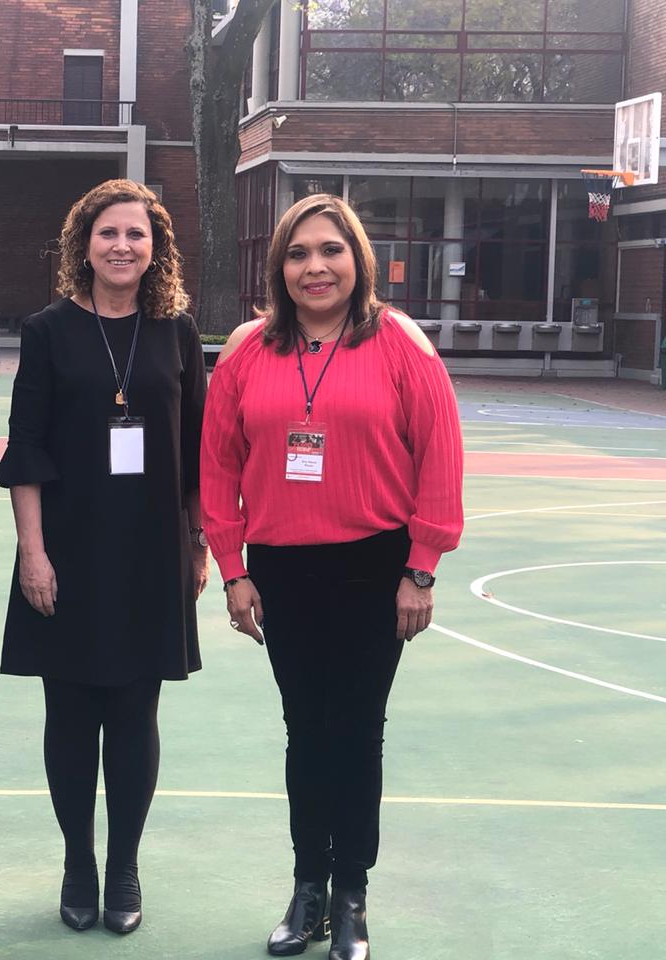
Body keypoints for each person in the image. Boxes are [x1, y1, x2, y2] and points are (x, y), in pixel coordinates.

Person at [199, 194, 463, 960]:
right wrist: (233, 571)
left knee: (356, 732)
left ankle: (352, 894)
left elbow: (439, 458)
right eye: (298, 253)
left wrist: (422, 569)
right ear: (279, 266)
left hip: (373, 570)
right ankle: (306, 887)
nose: (315, 267)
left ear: (358, 261)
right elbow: (218, 468)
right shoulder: (249, 351)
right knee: (304, 732)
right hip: (281, 572)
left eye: (331, 250)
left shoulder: (401, 345)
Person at [0, 179, 208, 935]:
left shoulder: (176, 331)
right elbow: (27, 452)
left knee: (134, 711)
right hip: (69, 550)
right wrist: (34, 554)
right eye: (109, 232)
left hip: (151, 552)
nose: (123, 246)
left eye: (138, 234)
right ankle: (78, 863)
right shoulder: (49, 330)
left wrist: (199, 539)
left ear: (157, 249)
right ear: (83, 243)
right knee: (72, 713)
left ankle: (124, 867)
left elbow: (197, 450)